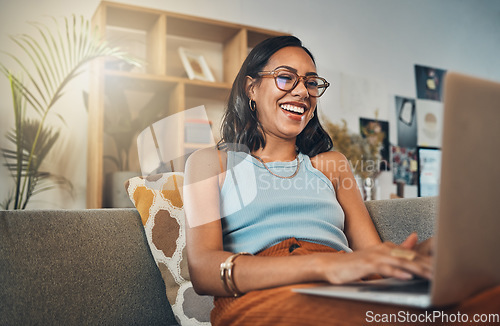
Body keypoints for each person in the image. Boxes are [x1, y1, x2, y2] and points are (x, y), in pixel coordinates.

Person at [183, 36, 499, 325]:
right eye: (285, 77)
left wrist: (424, 256)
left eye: (311, 83)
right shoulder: (211, 163)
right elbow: (204, 270)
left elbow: (373, 258)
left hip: (349, 288)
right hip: (263, 295)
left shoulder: (332, 166)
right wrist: (322, 266)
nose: (302, 91)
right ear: (251, 88)